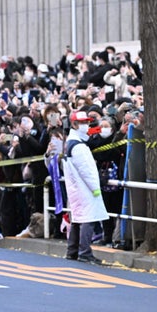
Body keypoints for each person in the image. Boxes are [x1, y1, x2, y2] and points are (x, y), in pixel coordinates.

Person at [62, 111, 109, 264]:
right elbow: (87, 170)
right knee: (88, 219)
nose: (86, 125)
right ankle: (84, 252)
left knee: (77, 218)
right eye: (82, 122)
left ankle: (73, 250)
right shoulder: (78, 146)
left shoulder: (71, 142)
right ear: (74, 124)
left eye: (87, 122)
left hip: (77, 188)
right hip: (85, 188)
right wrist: (95, 188)